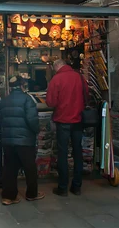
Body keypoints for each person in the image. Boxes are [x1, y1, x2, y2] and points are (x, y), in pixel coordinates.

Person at [0, 76, 44, 205]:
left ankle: (8, 196)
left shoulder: (3, 101)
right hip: (25, 140)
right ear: (22, 85)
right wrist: (36, 131)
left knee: (9, 168)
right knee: (30, 167)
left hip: (8, 141)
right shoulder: (27, 100)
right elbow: (32, 120)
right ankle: (31, 194)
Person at [46, 59, 88, 197]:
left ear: (56, 67)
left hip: (63, 121)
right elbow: (86, 96)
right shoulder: (79, 77)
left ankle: (63, 187)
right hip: (78, 121)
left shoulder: (56, 79)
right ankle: (77, 186)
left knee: (62, 154)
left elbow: (50, 102)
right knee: (77, 153)